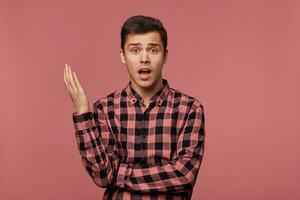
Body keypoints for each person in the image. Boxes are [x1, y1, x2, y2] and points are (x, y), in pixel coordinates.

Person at [63, 15, 206, 200]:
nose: (144, 58)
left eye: (153, 50)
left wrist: (120, 174)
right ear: (123, 55)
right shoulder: (105, 109)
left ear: (165, 56)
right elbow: (103, 176)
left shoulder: (189, 109)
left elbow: (184, 175)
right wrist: (83, 114)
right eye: (135, 50)